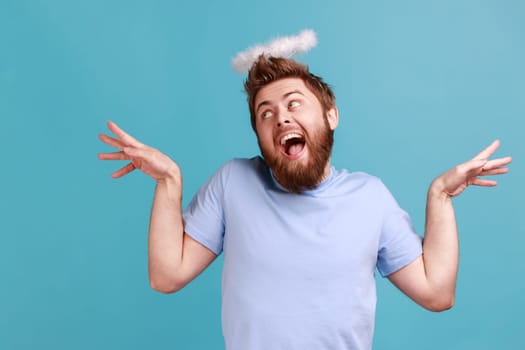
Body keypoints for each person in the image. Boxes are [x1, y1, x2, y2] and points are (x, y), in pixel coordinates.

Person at [98, 55, 511, 350]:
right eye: (266, 113)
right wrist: (169, 181)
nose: (281, 118)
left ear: (330, 116)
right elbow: (166, 276)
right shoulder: (234, 183)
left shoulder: (370, 197)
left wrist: (440, 195)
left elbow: (436, 293)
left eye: (294, 104)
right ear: (260, 137)